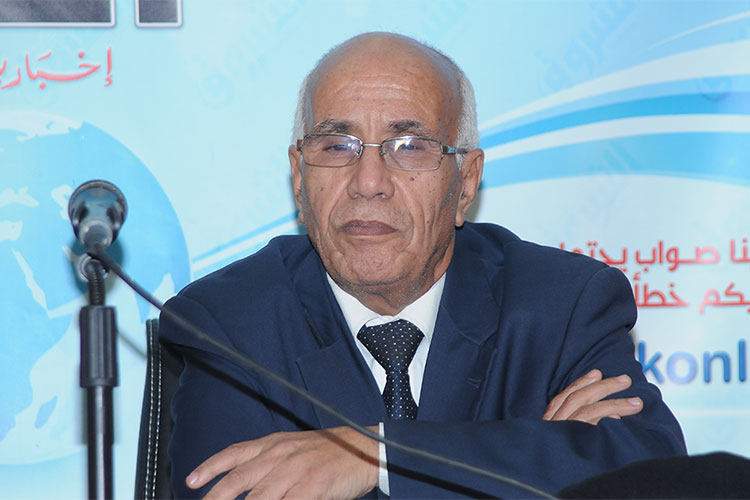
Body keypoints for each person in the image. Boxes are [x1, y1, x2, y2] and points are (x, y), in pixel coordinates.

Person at [159, 32, 686, 499]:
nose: (368, 182)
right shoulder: (228, 323)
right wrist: (535, 453)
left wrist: (377, 456)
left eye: (409, 147)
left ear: (466, 183)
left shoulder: (562, 306)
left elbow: (650, 480)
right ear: (300, 177)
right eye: (337, 146)